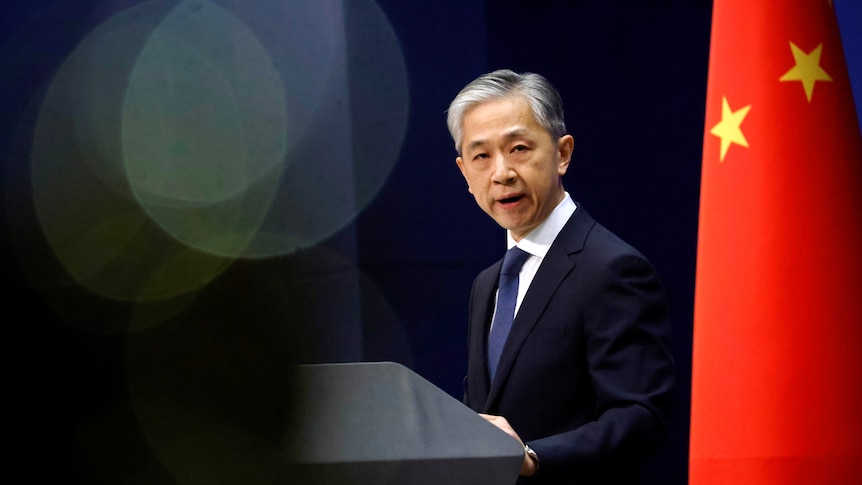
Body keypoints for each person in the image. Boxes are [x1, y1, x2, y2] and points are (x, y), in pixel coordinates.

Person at [447, 69, 675, 484]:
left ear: (562, 153)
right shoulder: (487, 284)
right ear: (465, 173)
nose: (501, 173)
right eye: (482, 156)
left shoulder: (612, 269)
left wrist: (534, 458)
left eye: (518, 148)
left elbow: (641, 419)